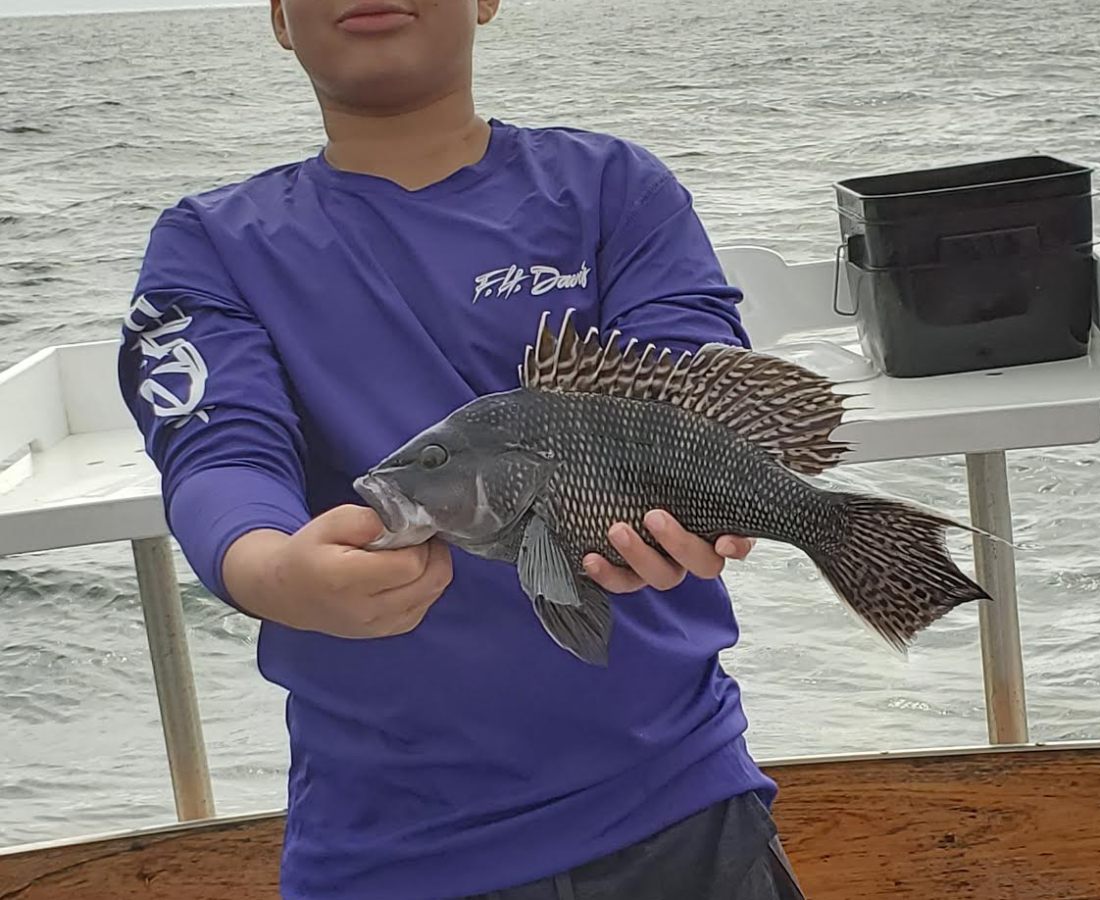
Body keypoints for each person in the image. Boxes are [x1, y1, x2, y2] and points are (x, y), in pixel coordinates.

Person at [117, 1, 807, 898]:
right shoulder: (209, 242)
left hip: (681, 801)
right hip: (389, 847)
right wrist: (270, 570)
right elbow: (218, 446)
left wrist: (713, 487)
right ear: (280, 17)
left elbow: (688, 369)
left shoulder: (613, 187)